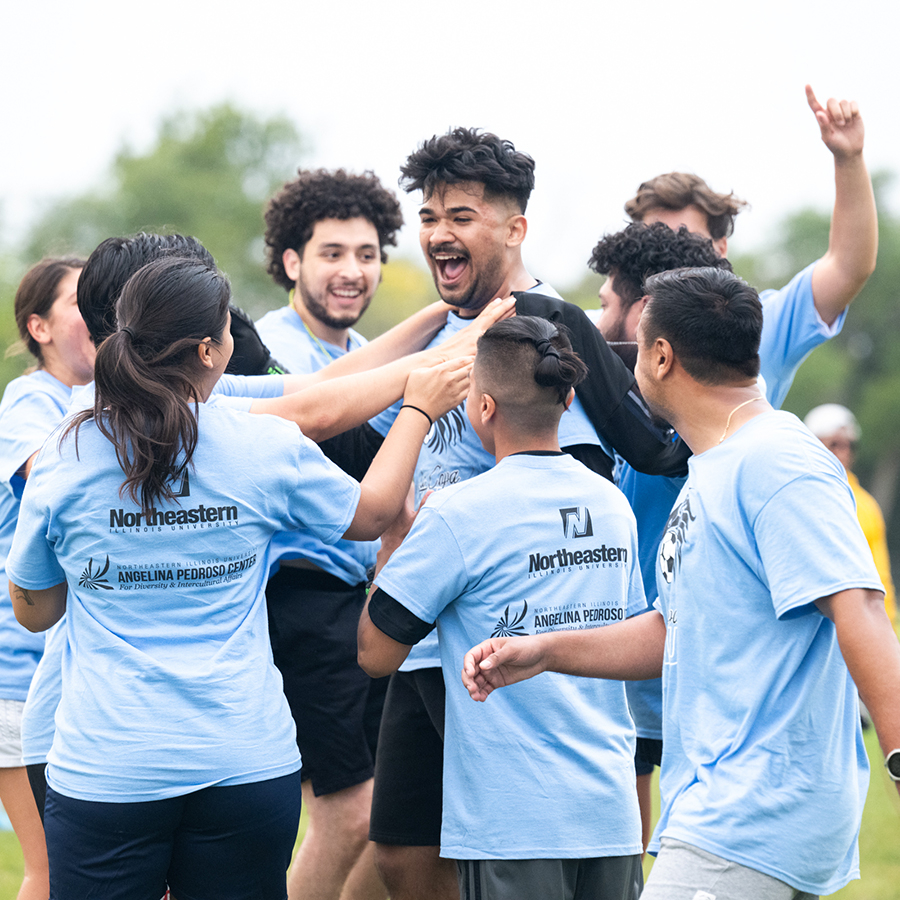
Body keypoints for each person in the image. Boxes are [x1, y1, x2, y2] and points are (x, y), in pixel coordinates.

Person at [7, 255, 471, 900]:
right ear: (208, 350)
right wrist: (418, 410)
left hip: (108, 768)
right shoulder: (262, 447)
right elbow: (372, 515)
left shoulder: (67, 450)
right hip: (245, 763)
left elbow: (34, 608)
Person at [463, 267, 900, 900]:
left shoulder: (777, 460)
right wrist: (546, 651)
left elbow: (858, 608)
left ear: (661, 356)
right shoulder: (718, 463)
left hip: (752, 818)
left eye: (639, 348)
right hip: (720, 810)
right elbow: (672, 627)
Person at [359, 316, 645, 900]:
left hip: (513, 825)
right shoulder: (612, 503)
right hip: (611, 817)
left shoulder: (458, 513)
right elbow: (634, 639)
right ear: (568, 398)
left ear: (481, 407)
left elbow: (374, 653)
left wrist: (395, 547)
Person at [256, 169, 404, 900]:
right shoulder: (262, 349)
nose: (352, 272)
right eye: (333, 253)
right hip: (295, 599)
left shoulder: (373, 351)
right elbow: (320, 418)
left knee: (396, 821)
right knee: (350, 816)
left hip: (363, 600)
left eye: (368, 254)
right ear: (292, 261)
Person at [587, 222, 729, 849]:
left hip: (680, 680)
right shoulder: (628, 410)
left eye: (604, 303)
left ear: (645, 318)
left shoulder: (690, 430)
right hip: (630, 678)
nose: (595, 322)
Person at [624, 85, 877, 409]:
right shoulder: (604, 328)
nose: (669, 258)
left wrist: (849, 158)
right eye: (654, 244)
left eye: (686, 242)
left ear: (720, 248)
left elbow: (848, 266)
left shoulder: (757, 327)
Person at [0, 256, 92, 900]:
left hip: (64, 674)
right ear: (39, 326)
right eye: (81, 301)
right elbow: (55, 474)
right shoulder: (31, 400)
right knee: (50, 870)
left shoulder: (88, 402)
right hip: (17, 677)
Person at [804, 403, 896, 622]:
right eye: (835, 444)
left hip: (859, 622)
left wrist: (888, 621)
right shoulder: (797, 493)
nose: (843, 452)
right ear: (813, 443)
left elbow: (880, 572)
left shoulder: (866, 505)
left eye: (849, 445)